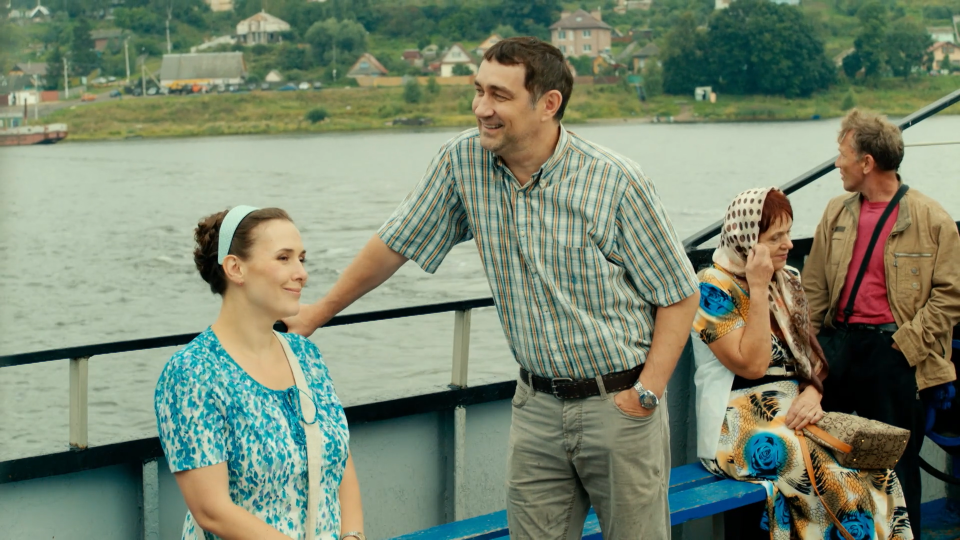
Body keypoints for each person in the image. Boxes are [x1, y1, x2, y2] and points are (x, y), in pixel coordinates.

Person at [284, 37, 700, 539]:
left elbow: (679, 294)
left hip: (619, 404)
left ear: (548, 104)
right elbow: (396, 242)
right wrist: (318, 312)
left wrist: (646, 395)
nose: (481, 108)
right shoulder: (463, 162)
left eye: (499, 95)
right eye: (479, 90)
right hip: (535, 407)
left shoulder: (615, 181)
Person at [693, 187, 913, 540]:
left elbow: (812, 361)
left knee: (876, 471)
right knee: (834, 481)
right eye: (775, 237)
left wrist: (813, 393)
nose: (789, 244)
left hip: (793, 412)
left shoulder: (789, 279)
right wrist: (758, 286)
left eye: (789, 233)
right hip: (736, 422)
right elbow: (752, 365)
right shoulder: (711, 286)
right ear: (747, 241)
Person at [154, 206, 364, 540]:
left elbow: (341, 461)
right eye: (284, 258)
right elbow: (212, 511)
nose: (302, 273)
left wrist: (353, 535)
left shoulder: (305, 355)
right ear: (235, 268)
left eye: (301, 259)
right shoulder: (192, 374)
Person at [802, 109, 960, 538]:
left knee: (897, 473)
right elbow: (814, 288)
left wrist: (906, 345)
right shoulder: (835, 213)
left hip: (893, 355)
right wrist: (812, 352)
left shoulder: (931, 219)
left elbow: (950, 296)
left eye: (843, 154)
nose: (838, 163)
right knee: (823, 461)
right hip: (838, 349)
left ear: (867, 162)